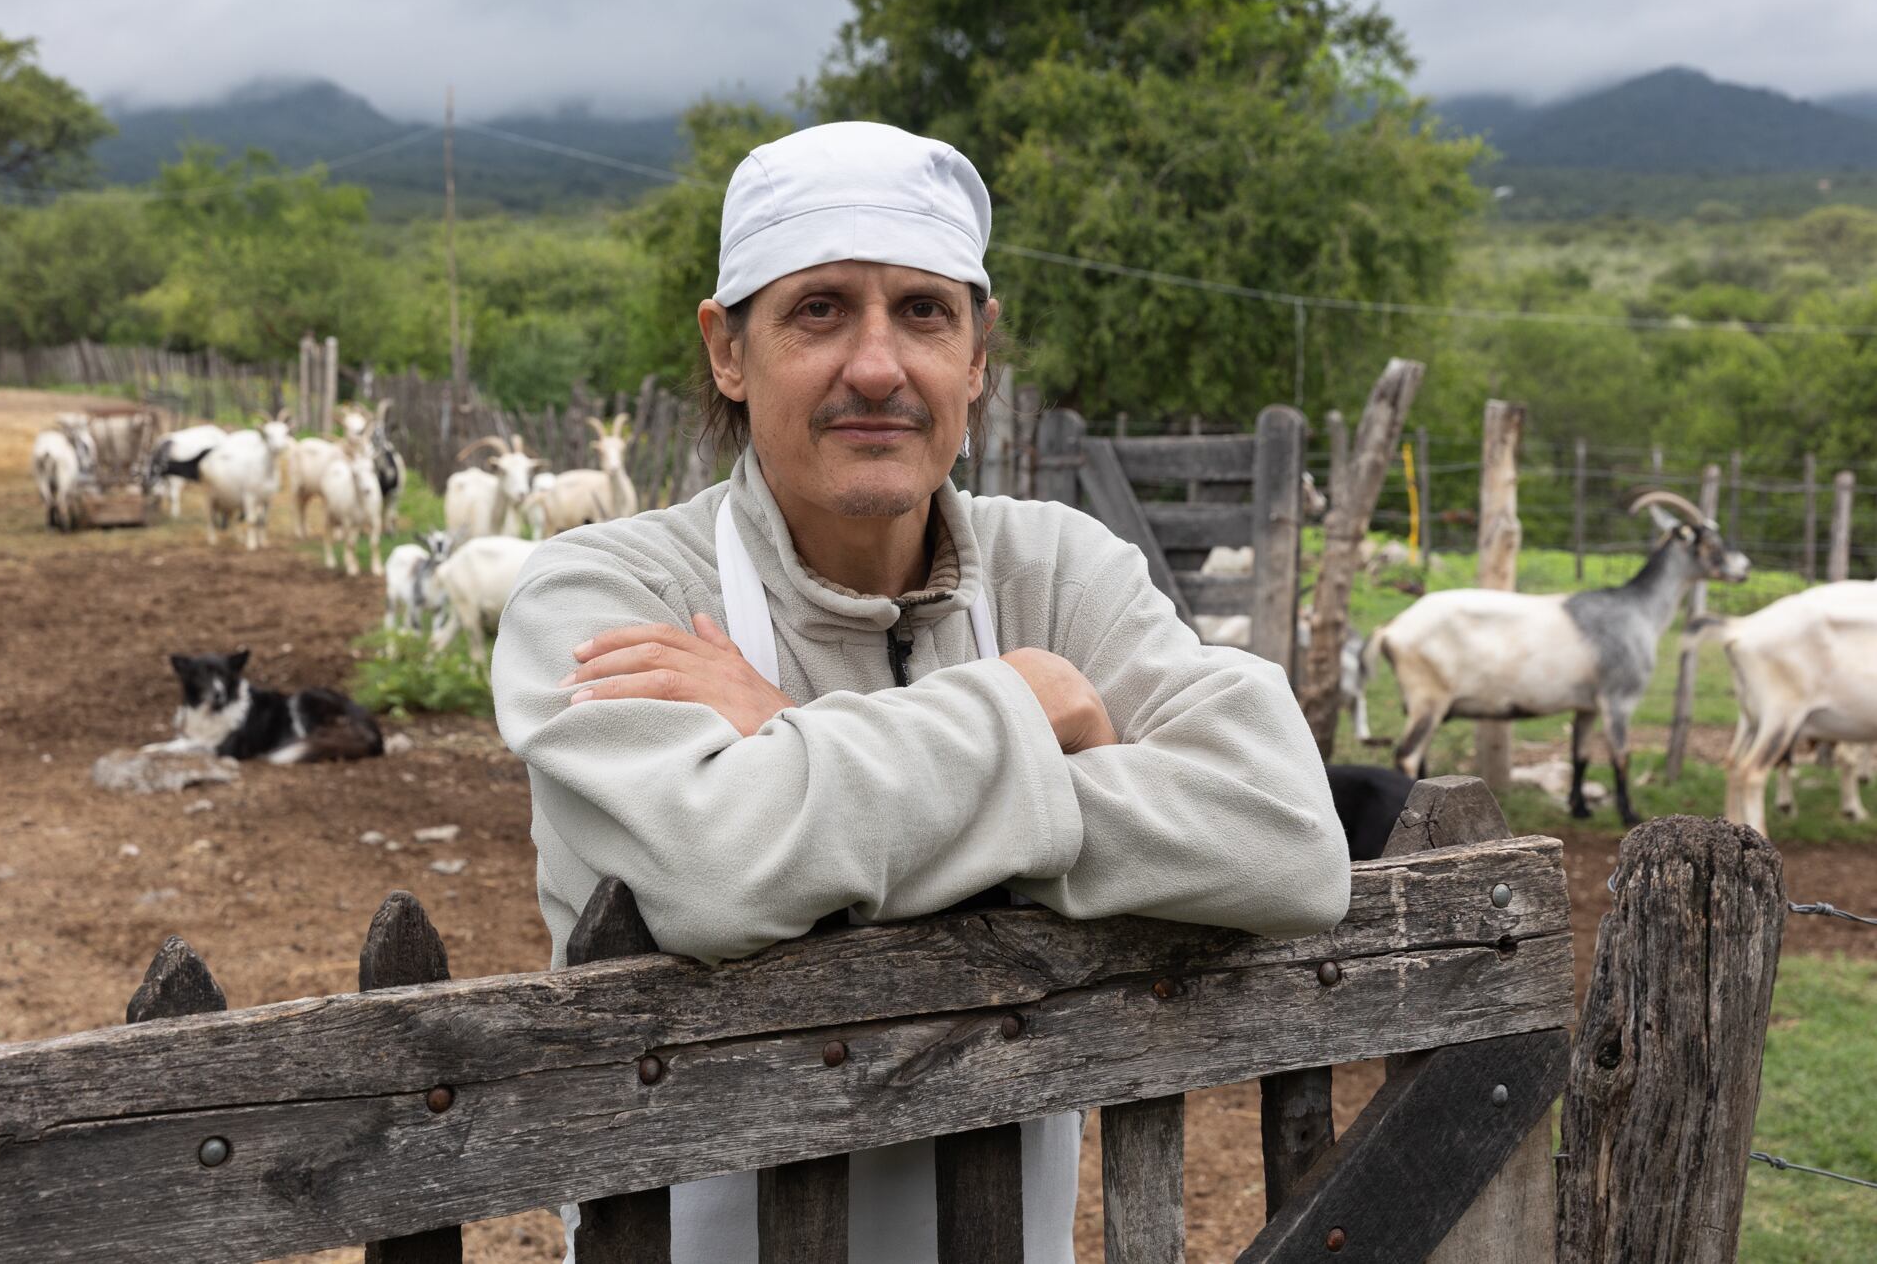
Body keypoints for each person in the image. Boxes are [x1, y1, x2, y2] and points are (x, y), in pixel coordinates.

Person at [492, 120, 1349, 1264]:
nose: (879, 366)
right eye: (820, 310)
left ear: (977, 353)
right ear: (727, 350)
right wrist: (1035, 707)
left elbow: (1286, 833)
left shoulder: (1058, 568)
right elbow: (718, 870)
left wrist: (791, 740)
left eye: (925, 313)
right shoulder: (611, 592)